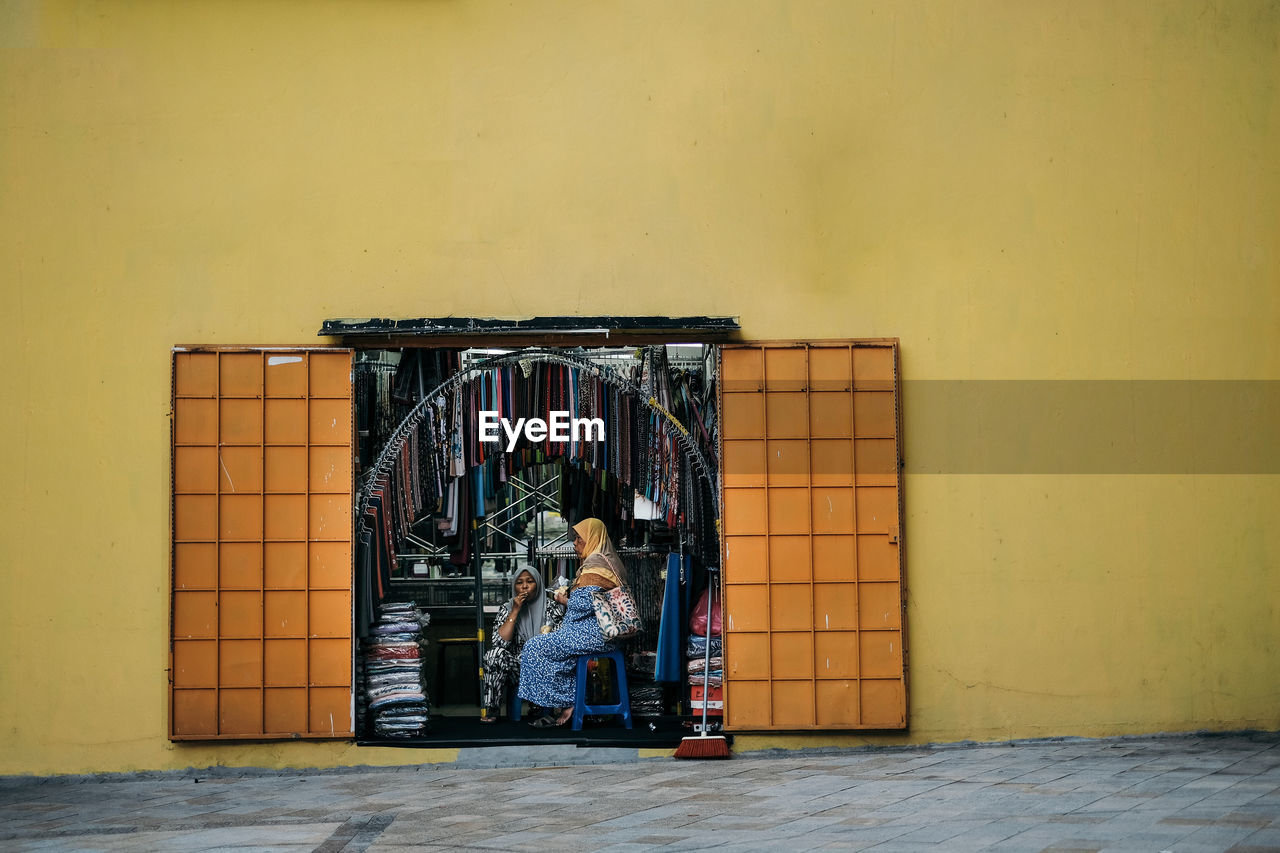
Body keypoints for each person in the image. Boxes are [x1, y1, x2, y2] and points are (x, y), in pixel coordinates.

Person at [517, 518, 628, 728]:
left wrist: (564, 598)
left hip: (594, 635)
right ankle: (571, 699)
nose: (575, 543)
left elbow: (583, 604)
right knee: (558, 654)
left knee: (533, 647)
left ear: (592, 539)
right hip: (595, 634)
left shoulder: (596, 566)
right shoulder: (607, 563)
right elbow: (595, 604)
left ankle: (568, 701)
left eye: (579, 538)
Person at [479, 565, 564, 723]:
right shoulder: (507, 608)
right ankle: (493, 708)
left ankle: (551, 708)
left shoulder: (551, 608)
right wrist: (515, 611)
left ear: (537, 584)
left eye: (530, 581)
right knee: (493, 655)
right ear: (514, 586)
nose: (524, 586)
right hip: (518, 668)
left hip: (544, 666)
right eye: (519, 582)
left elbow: (560, 643)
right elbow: (499, 643)